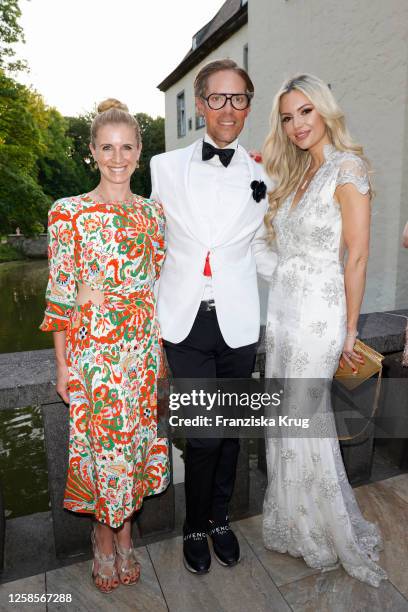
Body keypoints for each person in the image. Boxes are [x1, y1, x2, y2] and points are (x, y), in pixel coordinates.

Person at [260, 74, 387, 586]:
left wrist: (350, 329)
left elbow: (356, 257)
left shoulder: (347, 168)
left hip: (318, 314)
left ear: (325, 111)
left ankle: (324, 528)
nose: (297, 125)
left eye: (305, 112)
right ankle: (294, 522)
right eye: (288, 117)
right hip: (284, 312)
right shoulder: (297, 174)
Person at [40, 99, 170, 593]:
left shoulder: (154, 216)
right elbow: (59, 294)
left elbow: (151, 287)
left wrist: (156, 351)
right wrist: (62, 366)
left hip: (137, 351)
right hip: (93, 352)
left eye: (128, 147)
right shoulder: (67, 213)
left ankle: (126, 532)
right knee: (101, 450)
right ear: (93, 152)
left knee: (133, 446)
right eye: (108, 147)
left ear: (139, 152)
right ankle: (103, 536)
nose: (118, 157)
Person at [150, 59, 273, 574]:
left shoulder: (264, 173)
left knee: (231, 431)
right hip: (184, 321)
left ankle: (220, 517)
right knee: (204, 432)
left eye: (238, 98)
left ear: (248, 105)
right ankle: (194, 525)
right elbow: (148, 244)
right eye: (217, 98)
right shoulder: (162, 167)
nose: (228, 108)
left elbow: (262, 249)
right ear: (200, 104)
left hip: (239, 321)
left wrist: (310, 273)